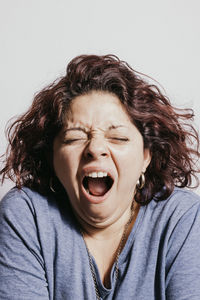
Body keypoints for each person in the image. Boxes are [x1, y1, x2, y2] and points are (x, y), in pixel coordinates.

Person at [0, 54, 200, 300]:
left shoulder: (182, 218)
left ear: (146, 156)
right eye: (74, 137)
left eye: (118, 137)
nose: (95, 148)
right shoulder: (27, 215)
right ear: (52, 158)